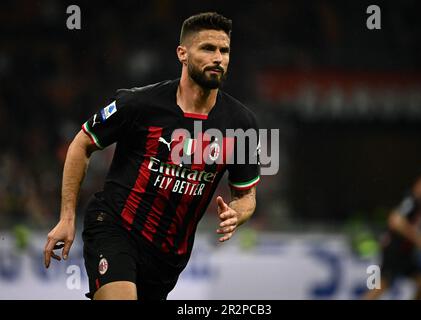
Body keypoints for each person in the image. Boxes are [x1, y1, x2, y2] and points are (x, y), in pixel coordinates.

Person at [43, 12, 260, 300]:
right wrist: (67, 217)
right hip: (115, 227)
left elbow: (246, 195)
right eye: (208, 48)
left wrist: (238, 214)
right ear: (182, 53)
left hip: (169, 255)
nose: (218, 58)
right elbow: (82, 143)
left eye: (224, 50)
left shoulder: (240, 123)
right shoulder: (139, 104)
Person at [363, 171, 421, 300]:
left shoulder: (420, 205)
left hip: (407, 254)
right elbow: (395, 220)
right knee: (379, 287)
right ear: (419, 183)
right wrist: (419, 239)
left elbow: (419, 235)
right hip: (394, 250)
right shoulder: (411, 200)